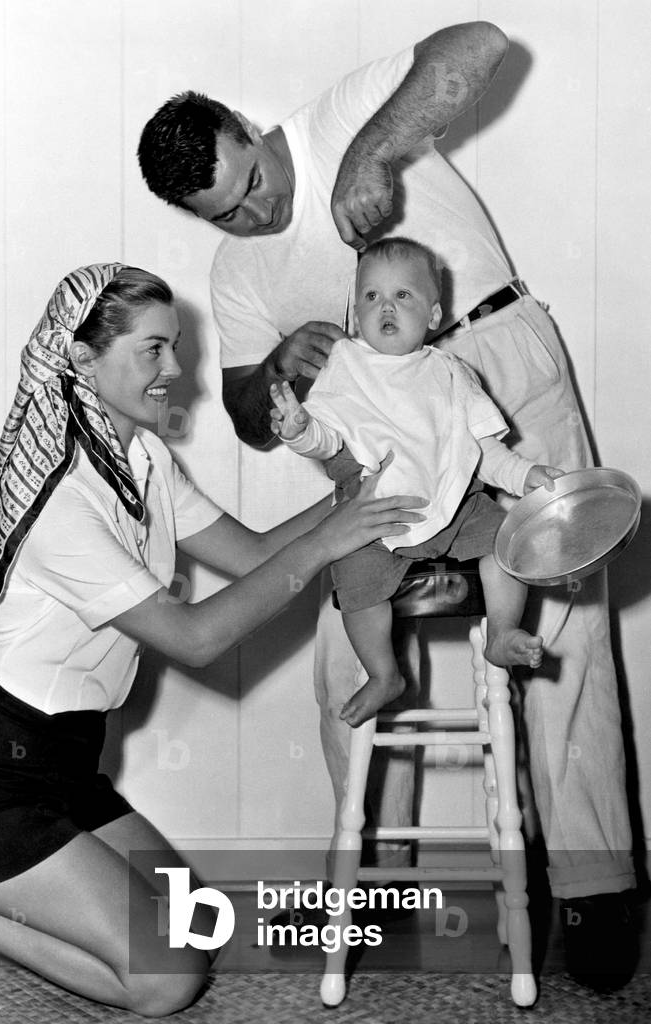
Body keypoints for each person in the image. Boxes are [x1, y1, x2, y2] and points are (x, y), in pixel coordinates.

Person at [137, 21, 638, 991]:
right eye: (228, 214)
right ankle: (377, 880)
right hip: (383, 430)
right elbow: (246, 412)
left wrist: (368, 155)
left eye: (253, 182)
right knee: (347, 639)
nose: (257, 212)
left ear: (247, 127)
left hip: (495, 356)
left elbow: (477, 45)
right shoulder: (238, 272)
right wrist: (276, 373)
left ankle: (593, 885)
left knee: (563, 607)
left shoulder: (337, 117)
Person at [0, 264, 426, 1012]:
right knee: (167, 981)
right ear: (82, 359)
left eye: (176, 347)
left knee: (201, 929)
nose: (175, 370)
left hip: (64, 768)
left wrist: (354, 497)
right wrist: (331, 539)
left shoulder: (144, 460)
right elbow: (194, 637)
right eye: (152, 350)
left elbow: (255, 555)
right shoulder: (63, 501)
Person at [270, 237, 563, 727]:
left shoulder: (451, 372)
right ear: (356, 312)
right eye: (371, 296)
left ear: (433, 315)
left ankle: (502, 631)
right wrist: (299, 430)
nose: (385, 306)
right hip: (376, 517)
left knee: (507, 541)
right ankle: (384, 672)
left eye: (402, 295)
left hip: (457, 506)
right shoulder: (346, 367)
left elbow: (482, 452)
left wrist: (525, 475)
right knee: (355, 579)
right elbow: (327, 439)